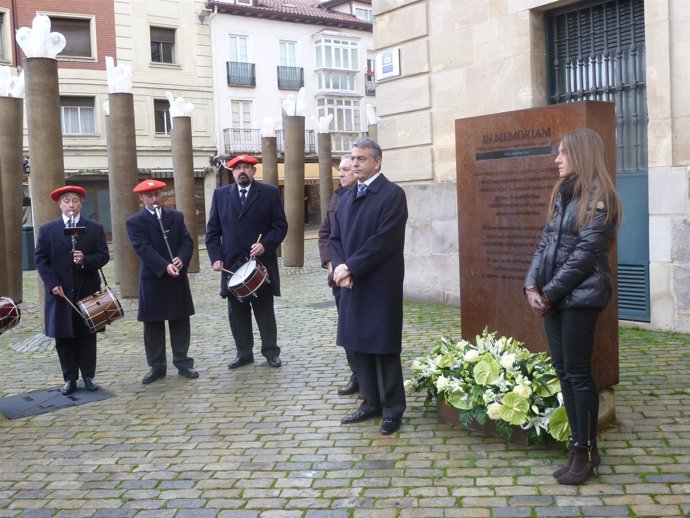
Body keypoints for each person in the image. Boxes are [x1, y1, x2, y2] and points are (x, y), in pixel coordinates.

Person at [524, 128, 621, 485]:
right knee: (564, 371)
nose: (557, 159)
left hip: (579, 299)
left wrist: (547, 293)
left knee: (579, 374)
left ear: (580, 155)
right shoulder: (564, 195)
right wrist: (531, 285)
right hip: (554, 298)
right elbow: (544, 244)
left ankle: (587, 451)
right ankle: (576, 446)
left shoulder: (601, 199)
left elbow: (583, 257)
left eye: (563, 153)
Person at [331, 138, 408, 436]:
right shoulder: (347, 196)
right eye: (353, 158)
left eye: (361, 159)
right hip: (351, 282)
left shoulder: (392, 195)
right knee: (358, 344)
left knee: (383, 347)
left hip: (379, 283)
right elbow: (336, 237)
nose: (354, 164)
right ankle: (370, 402)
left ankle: (392, 408)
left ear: (377, 162)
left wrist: (351, 267)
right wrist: (341, 268)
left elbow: (384, 241)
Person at [205, 154, 288, 369]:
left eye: (246, 167)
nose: (242, 171)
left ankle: (271, 352)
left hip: (260, 264)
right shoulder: (221, 195)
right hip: (232, 266)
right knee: (237, 313)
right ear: (232, 173)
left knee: (264, 310)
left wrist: (266, 245)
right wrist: (216, 258)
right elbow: (213, 232)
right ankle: (244, 353)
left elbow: (280, 225)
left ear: (254, 171)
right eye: (237, 168)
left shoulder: (269, 193)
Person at [35, 186, 110, 395]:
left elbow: (103, 256)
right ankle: (69, 378)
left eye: (75, 201)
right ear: (60, 204)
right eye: (67, 201)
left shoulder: (94, 228)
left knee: (87, 335)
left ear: (81, 204)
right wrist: (52, 284)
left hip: (87, 290)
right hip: (61, 293)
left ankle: (88, 376)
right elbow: (41, 259)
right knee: (65, 338)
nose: (71, 205)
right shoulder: (48, 230)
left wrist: (86, 260)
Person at [125, 179, 199, 385]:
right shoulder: (134, 222)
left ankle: (183, 362)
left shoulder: (176, 217)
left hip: (177, 276)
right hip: (154, 277)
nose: (154, 199)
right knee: (153, 325)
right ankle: (156, 366)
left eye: (157, 194)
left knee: (180, 321)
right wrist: (164, 265)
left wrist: (181, 259)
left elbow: (186, 241)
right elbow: (142, 248)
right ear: (141, 198)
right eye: (149, 196)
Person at [318, 155, 359, 396]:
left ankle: (367, 377)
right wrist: (331, 263)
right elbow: (325, 233)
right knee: (345, 330)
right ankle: (355, 374)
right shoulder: (336, 196)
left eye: (345, 170)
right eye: (339, 170)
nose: (341, 174)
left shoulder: (364, 197)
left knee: (359, 329)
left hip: (356, 275)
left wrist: (349, 268)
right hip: (337, 277)